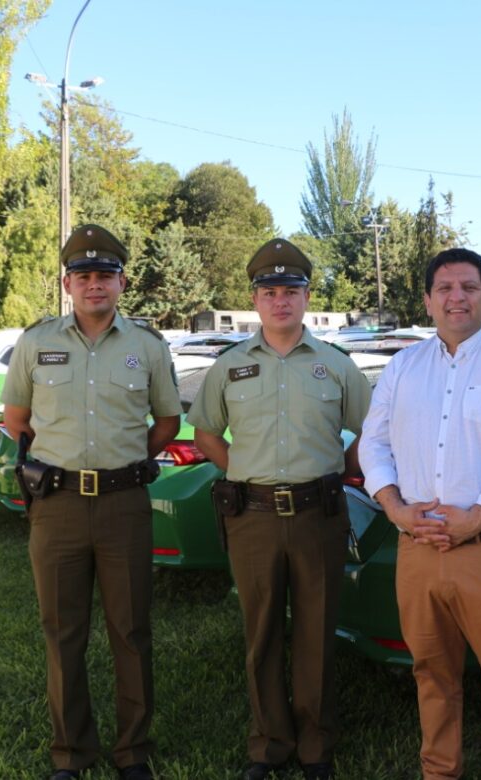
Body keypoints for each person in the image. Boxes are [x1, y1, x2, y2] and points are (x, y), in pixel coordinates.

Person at [359, 247, 481, 780]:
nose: (456, 297)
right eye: (444, 288)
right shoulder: (403, 367)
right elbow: (373, 444)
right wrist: (395, 508)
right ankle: (439, 771)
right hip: (418, 549)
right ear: (427, 300)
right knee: (431, 673)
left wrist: (477, 517)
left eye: (469, 287)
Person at [1, 224, 181, 780]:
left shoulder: (147, 346)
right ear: (67, 283)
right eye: (84, 276)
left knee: (131, 630)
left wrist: (125, 458)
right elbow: (16, 420)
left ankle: (133, 753)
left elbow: (168, 421)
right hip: (56, 506)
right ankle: (71, 754)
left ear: (121, 282)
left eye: (105, 275)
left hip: (124, 503)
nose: (95, 285)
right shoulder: (36, 342)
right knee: (62, 630)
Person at [188, 238, 371, 780]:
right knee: (261, 632)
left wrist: (340, 465)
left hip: (319, 514)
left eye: (290, 290)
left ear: (307, 296)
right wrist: (242, 468)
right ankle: (268, 744)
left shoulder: (337, 365)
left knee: (316, 633)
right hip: (254, 516)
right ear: (256, 299)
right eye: (269, 291)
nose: (280, 300)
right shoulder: (231, 365)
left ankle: (315, 747)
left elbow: (373, 428)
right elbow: (204, 433)